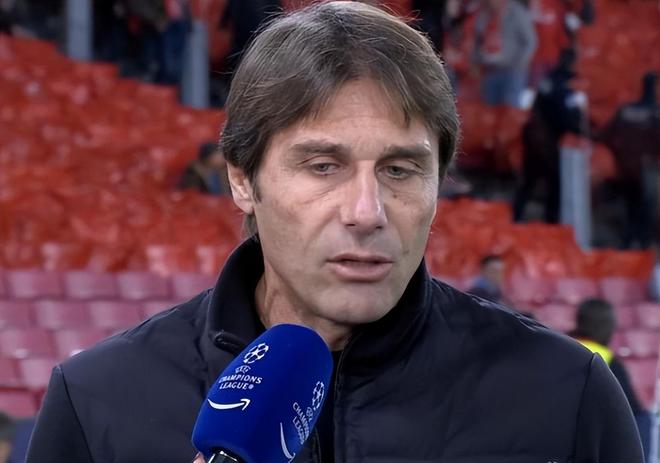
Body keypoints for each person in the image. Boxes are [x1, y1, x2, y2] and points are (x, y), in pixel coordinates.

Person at [27, 2, 643, 462]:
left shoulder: (567, 397)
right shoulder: (98, 402)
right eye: (323, 166)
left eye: (400, 170)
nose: (367, 211)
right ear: (242, 179)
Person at [569, 298, 652, 460]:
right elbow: (631, 412)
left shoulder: (562, 349)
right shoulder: (608, 362)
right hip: (593, 439)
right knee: (643, 418)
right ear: (609, 328)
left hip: (561, 434)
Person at [513, 47, 587, 223]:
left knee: (529, 181)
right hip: (549, 141)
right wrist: (579, 129)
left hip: (533, 137)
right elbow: (564, 115)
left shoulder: (547, 79)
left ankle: (517, 216)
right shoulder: (567, 84)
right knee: (554, 183)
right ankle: (550, 221)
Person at [597, 71, 660, 249]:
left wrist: (619, 155)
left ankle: (629, 243)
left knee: (630, 206)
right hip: (645, 168)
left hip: (624, 168)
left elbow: (605, 135)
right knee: (645, 209)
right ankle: (642, 245)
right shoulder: (655, 113)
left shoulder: (626, 110)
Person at [473, 0, 538, 108]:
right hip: (490, 71)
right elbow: (477, 39)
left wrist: (520, 63)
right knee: (488, 112)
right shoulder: (483, 14)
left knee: (509, 111)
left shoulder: (517, 12)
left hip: (511, 72)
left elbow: (531, 41)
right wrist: (476, 60)